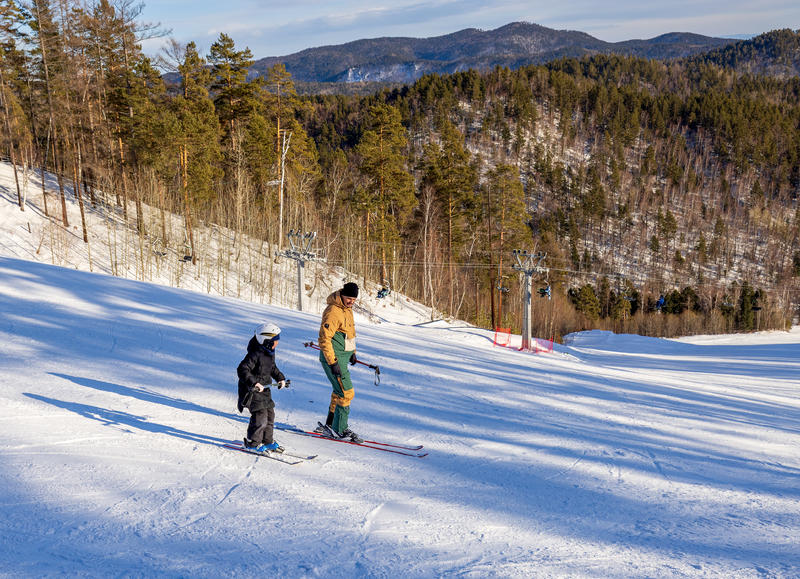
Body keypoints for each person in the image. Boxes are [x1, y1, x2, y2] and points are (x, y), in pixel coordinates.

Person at [316, 282, 363, 442]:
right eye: (349, 298)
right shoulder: (333, 311)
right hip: (334, 359)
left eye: (354, 299)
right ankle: (339, 429)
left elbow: (350, 333)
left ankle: (330, 425)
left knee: (338, 391)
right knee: (346, 392)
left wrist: (352, 352)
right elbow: (324, 338)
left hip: (342, 357)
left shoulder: (347, 310)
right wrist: (333, 362)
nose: (351, 302)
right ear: (342, 295)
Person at [237, 322, 287, 452]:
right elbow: (242, 369)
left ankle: (267, 441)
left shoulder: (269, 352)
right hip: (252, 391)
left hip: (264, 390)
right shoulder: (254, 354)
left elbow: (272, 368)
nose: (277, 343)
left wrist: (280, 378)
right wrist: (254, 383)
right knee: (260, 417)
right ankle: (252, 443)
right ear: (266, 341)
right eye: (275, 340)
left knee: (270, 415)